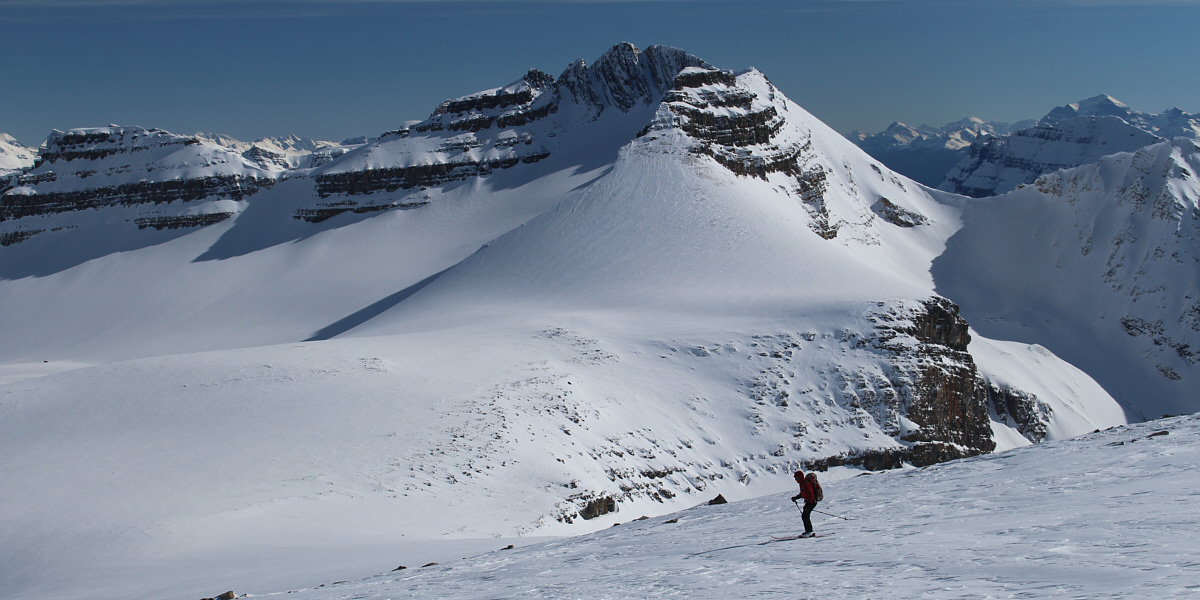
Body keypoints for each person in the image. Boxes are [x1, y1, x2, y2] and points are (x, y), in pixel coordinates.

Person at [791, 470, 819, 537]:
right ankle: (809, 531)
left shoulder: (806, 484)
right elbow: (803, 493)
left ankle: (809, 532)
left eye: (797, 478)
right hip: (810, 502)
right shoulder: (802, 483)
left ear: (800, 477)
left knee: (805, 516)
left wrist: (808, 504)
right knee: (805, 516)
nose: (796, 480)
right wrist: (796, 498)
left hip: (811, 502)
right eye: (795, 478)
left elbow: (811, 495)